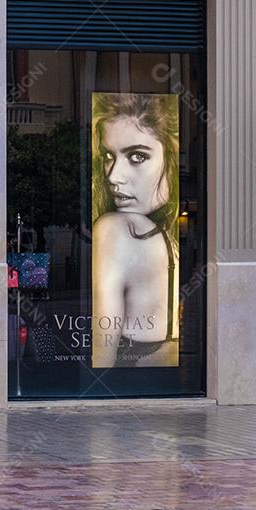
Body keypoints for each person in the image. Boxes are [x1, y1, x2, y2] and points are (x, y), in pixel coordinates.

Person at [90, 93, 179, 368]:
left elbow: (101, 359)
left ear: (172, 158)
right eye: (108, 156)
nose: (113, 176)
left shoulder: (115, 229)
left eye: (137, 156)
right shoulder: (171, 241)